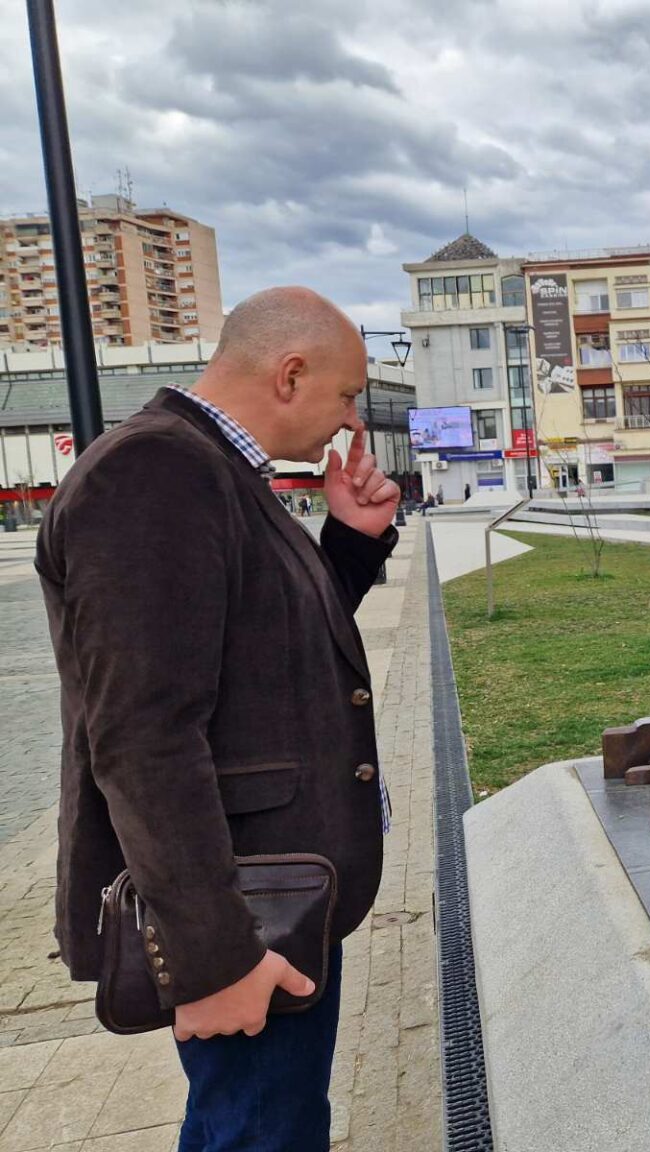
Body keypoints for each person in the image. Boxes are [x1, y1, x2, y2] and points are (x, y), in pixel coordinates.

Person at [36, 286, 400, 1151]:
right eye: (347, 396)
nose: (351, 423)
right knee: (262, 1131)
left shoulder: (221, 472)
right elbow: (140, 737)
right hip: (243, 910)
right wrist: (217, 957)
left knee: (266, 1120)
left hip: (278, 892)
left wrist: (350, 542)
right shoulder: (155, 473)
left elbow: (272, 656)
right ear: (289, 373)